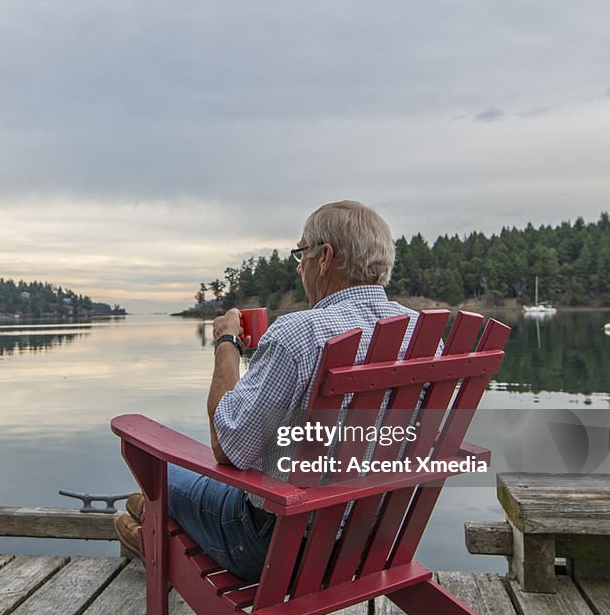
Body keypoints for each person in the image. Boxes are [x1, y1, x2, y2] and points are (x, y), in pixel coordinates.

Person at [114, 199, 418, 582]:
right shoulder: (419, 332)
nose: (299, 265)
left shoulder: (299, 334)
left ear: (324, 257)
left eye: (301, 253)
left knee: (161, 476)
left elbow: (226, 449)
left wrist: (227, 342)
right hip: (374, 538)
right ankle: (145, 523)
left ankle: (146, 530)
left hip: (277, 546)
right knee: (187, 489)